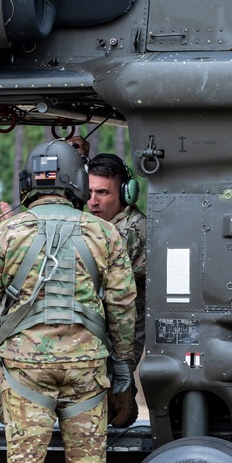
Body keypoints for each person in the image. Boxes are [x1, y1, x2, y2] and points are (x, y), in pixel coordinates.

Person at [0, 140, 136, 463]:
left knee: (25, 460)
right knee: (87, 460)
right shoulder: (104, 232)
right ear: (77, 182)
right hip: (85, 366)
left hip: (26, 368)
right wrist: (122, 365)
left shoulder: (8, 230)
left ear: (30, 182)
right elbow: (123, 307)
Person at [87, 153, 145, 427]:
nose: (92, 202)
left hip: (117, 341)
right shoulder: (98, 226)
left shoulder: (129, 231)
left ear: (125, 193)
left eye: (102, 193)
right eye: (87, 192)